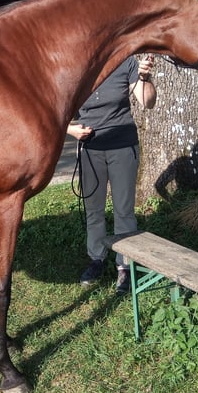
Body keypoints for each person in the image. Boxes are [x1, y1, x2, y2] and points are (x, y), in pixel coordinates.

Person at [66, 54, 157, 293]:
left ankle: (124, 266)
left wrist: (144, 77)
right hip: (90, 150)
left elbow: (147, 102)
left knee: (123, 210)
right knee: (93, 209)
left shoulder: (126, 63)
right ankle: (96, 258)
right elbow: (56, 107)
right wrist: (70, 130)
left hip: (122, 147)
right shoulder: (77, 66)